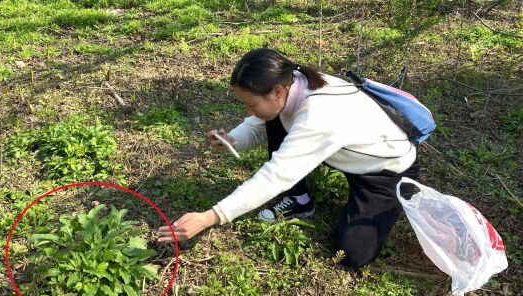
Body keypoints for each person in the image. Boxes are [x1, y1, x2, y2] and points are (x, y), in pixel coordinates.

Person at [156, 48, 420, 268]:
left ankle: (394, 200)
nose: (248, 111)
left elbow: (276, 175)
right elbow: (262, 121)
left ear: (277, 92)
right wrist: (233, 139)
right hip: (344, 152)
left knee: (353, 254)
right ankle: (299, 200)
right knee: (272, 118)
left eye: (251, 104)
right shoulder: (291, 81)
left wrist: (210, 217)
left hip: (384, 171)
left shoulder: (320, 114)